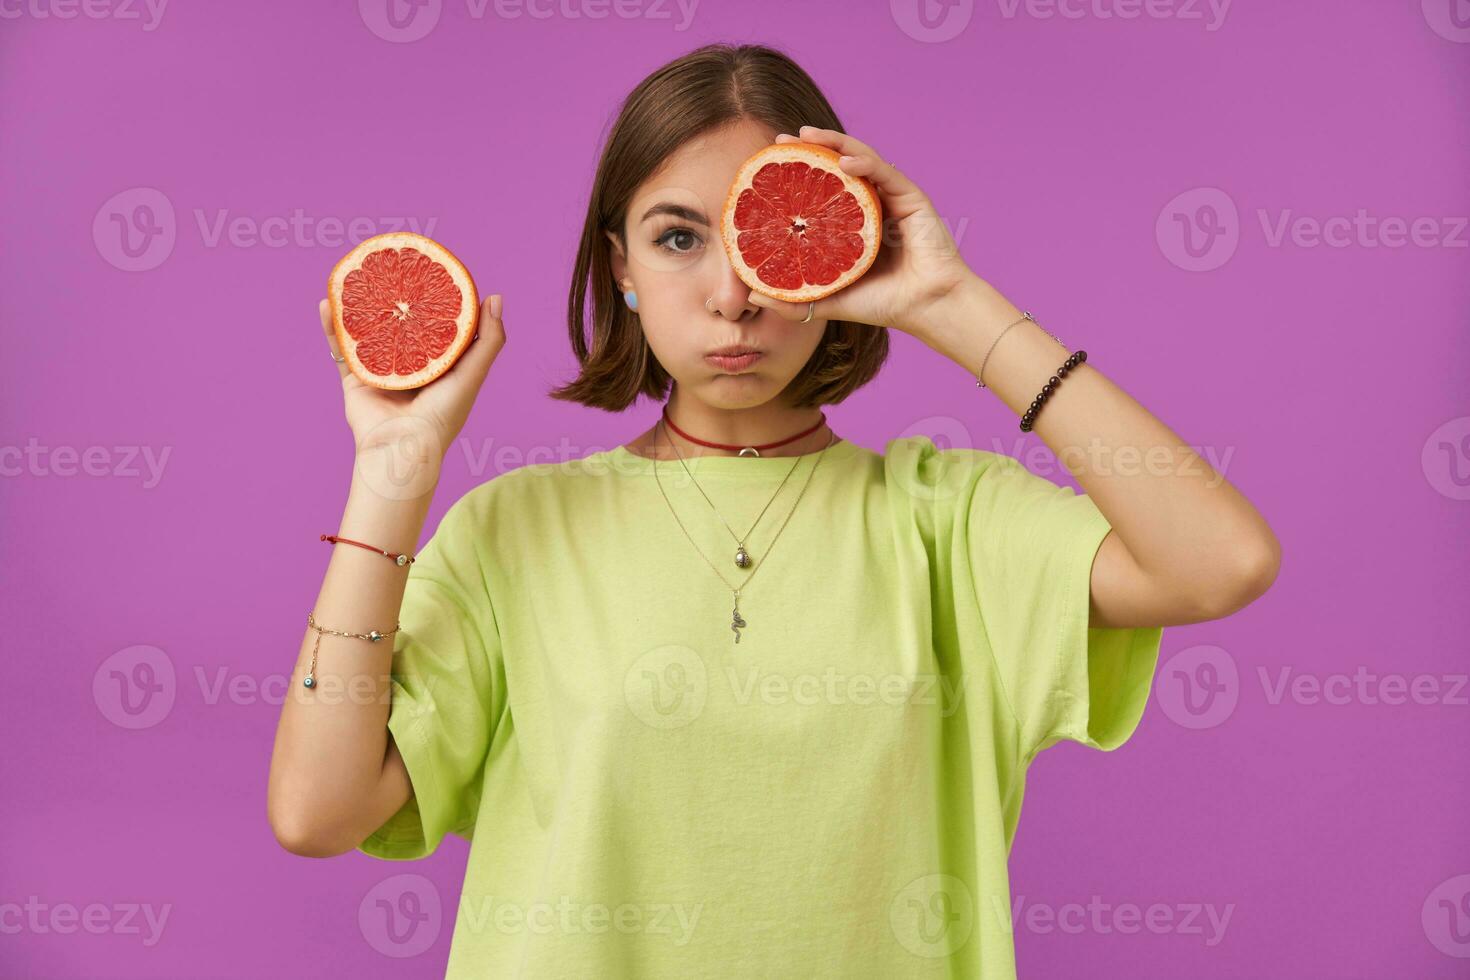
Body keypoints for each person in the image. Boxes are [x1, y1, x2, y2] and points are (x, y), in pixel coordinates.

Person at [267, 42, 1280, 979]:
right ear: (620, 265)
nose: (732, 295)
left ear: (838, 252)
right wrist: (394, 475)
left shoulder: (944, 519)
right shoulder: (514, 529)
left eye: (773, 239)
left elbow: (1221, 561)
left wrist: (949, 300)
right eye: (677, 238)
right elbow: (319, 809)